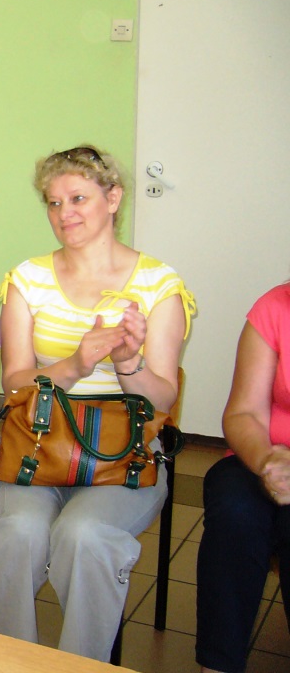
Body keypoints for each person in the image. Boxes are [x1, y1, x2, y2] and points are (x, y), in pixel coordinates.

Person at [0, 145, 195, 662]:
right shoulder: (28, 279)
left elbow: (163, 397)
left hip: (124, 454)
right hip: (36, 443)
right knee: (17, 533)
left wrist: (127, 362)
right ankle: (7, 662)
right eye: (53, 203)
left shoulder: (158, 285)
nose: (64, 213)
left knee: (86, 535)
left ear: (112, 198)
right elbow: (16, 386)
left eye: (78, 198)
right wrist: (76, 364)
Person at [196, 284, 290, 673]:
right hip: (267, 453)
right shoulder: (276, 305)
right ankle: (219, 664)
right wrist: (267, 461)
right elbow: (243, 413)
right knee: (235, 509)